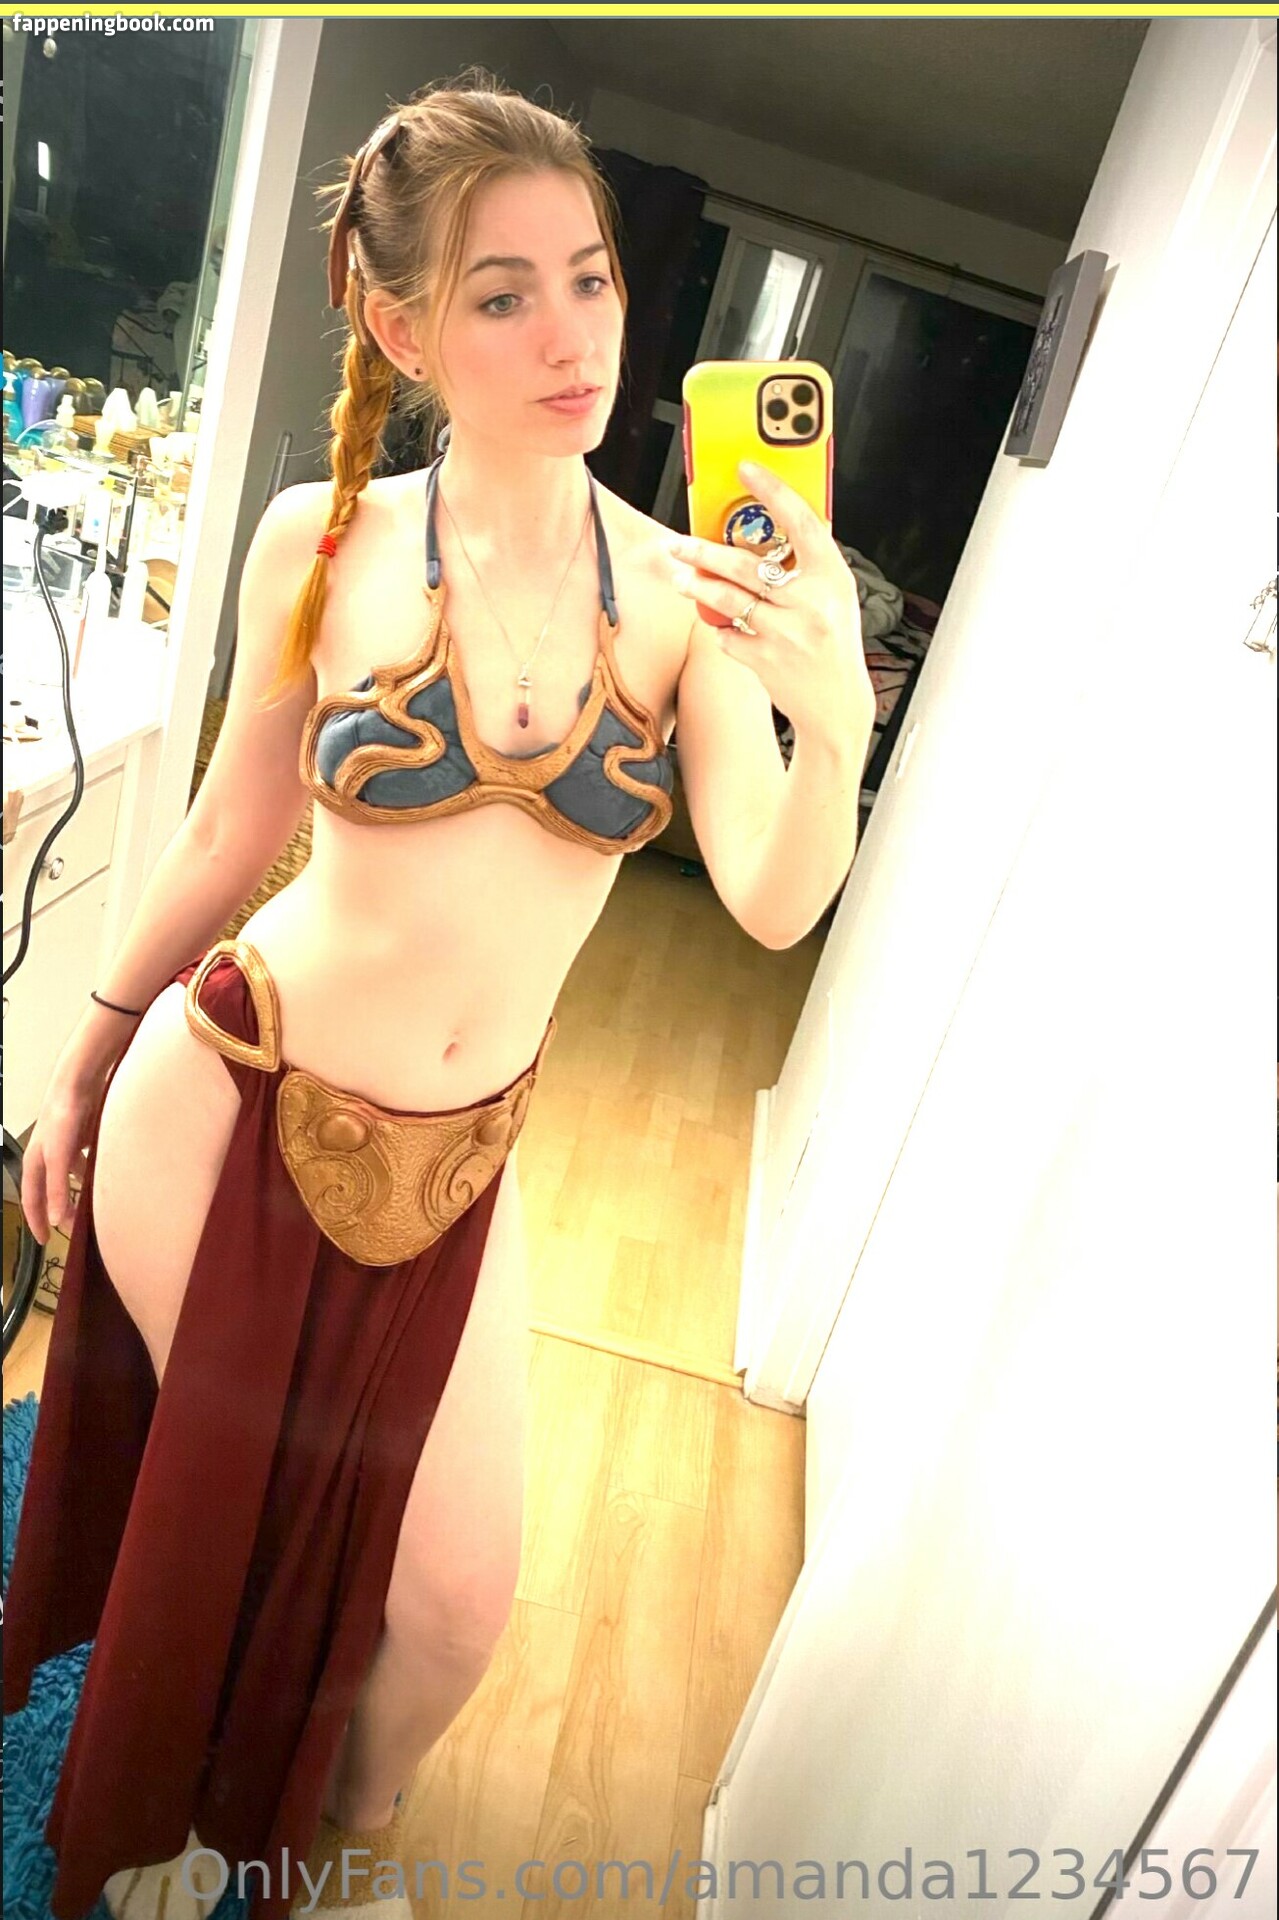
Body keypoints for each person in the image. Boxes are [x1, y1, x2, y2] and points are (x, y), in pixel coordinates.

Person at [3, 69, 873, 1920]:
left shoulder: (687, 598)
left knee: (455, 1599)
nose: (572, 336)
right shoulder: (320, 544)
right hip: (225, 1099)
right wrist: (83, 1057)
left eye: (593, 278)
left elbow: (775, 899)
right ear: (405, 330)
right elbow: (229, 828)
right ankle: (162, 1827)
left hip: (463, 1161)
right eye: (503, 293)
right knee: (228, 1518)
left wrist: (840, 720)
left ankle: (323, 1843)